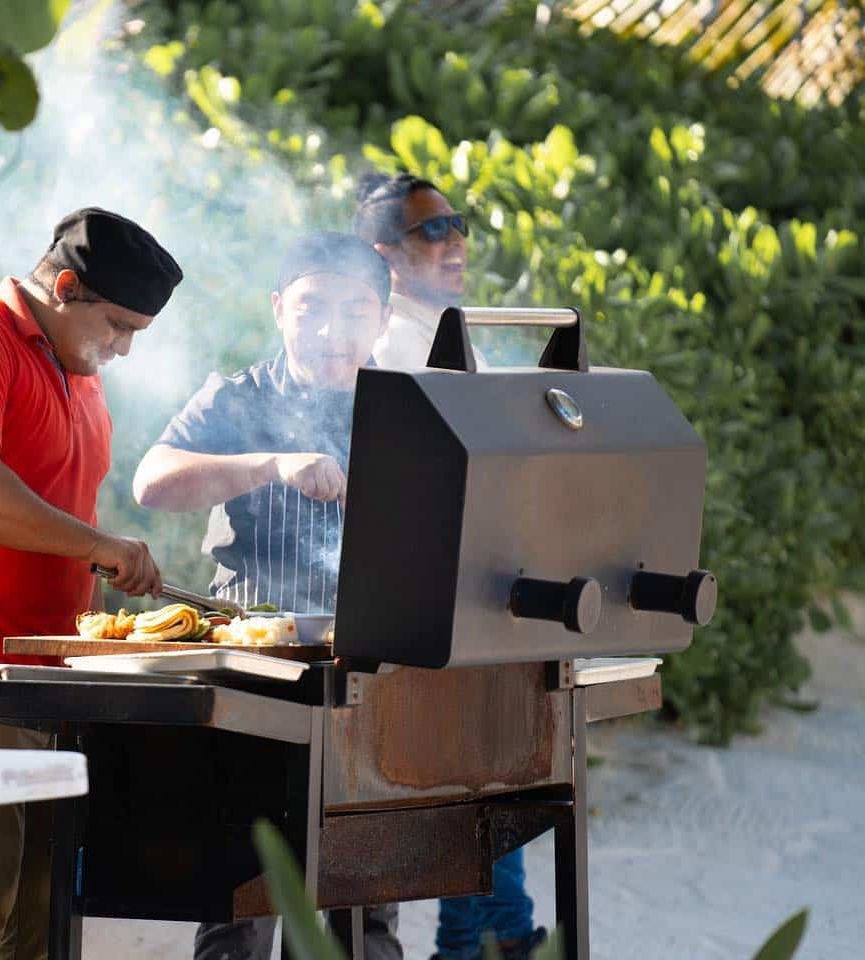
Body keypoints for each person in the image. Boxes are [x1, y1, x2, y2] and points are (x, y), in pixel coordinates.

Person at [0, 206, 182, 960]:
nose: (122, 348)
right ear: (64, 287)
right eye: (118, 326)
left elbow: (52, 510)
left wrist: (101, 558)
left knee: (46, 907)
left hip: (49, 679)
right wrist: (100, 542)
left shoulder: (79, 369)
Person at [133, 232, 403, 960]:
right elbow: (152, 481)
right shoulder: (237, 395)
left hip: (371, 668)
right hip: (254, 664)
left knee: (362, 898)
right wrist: (270, 464)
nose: (331, 332)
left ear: (383, 318)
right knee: (240, 888)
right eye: (312, 308)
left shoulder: (411, 408)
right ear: (279, 309)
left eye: (354, 311)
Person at [354, 172, 547, 960]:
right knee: (471, 786)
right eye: (430, 232)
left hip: (483, 591)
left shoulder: (457, 329)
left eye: (457, 225)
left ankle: (491, 938)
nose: (453, 243)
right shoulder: (393, 340)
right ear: (384, 256)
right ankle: (494, 941)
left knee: (486, 782)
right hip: (435, 600)